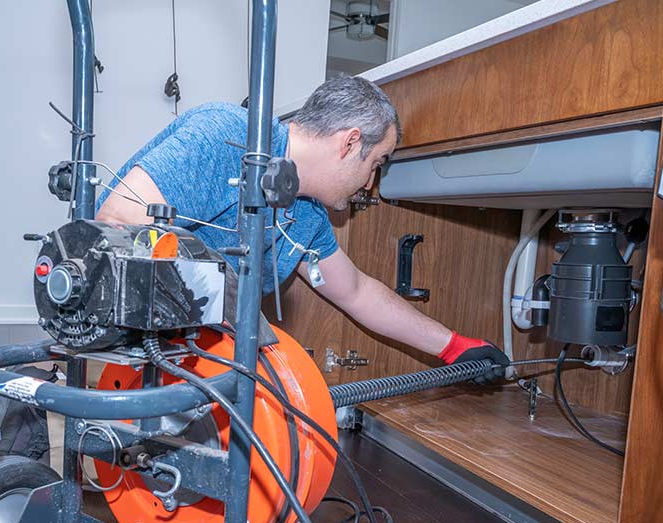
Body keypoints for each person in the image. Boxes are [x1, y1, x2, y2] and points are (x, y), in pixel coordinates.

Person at [96, 76, 509, 379]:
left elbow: (357, 292)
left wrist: (454, 347)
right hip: (131, 353)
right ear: (349, 144)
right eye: (376, 164)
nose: (370, 183)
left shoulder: (307, 214)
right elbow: (118, 223)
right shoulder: (230, 136)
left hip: (197, 363)